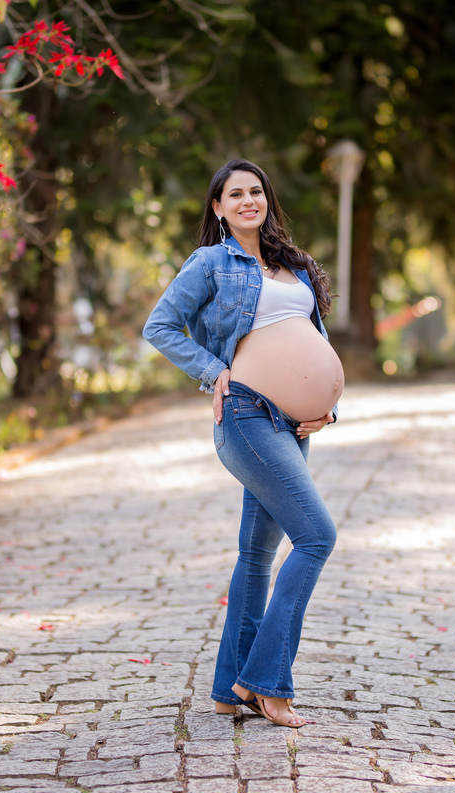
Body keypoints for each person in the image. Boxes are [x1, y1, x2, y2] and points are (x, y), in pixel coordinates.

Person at [143, 158, 344, 728]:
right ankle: (266, 686)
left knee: (256, 557)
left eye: (256, 191)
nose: (248, 201)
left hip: (293, 424)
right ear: (218, 206)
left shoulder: (292, 266)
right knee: (316, 536)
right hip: (247, 417)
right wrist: (212, 371)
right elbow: (159, 326)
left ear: (266, 199)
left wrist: (327, 407)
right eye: (235, 194)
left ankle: (228, 690)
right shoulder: (212, 262)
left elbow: (312, 342)